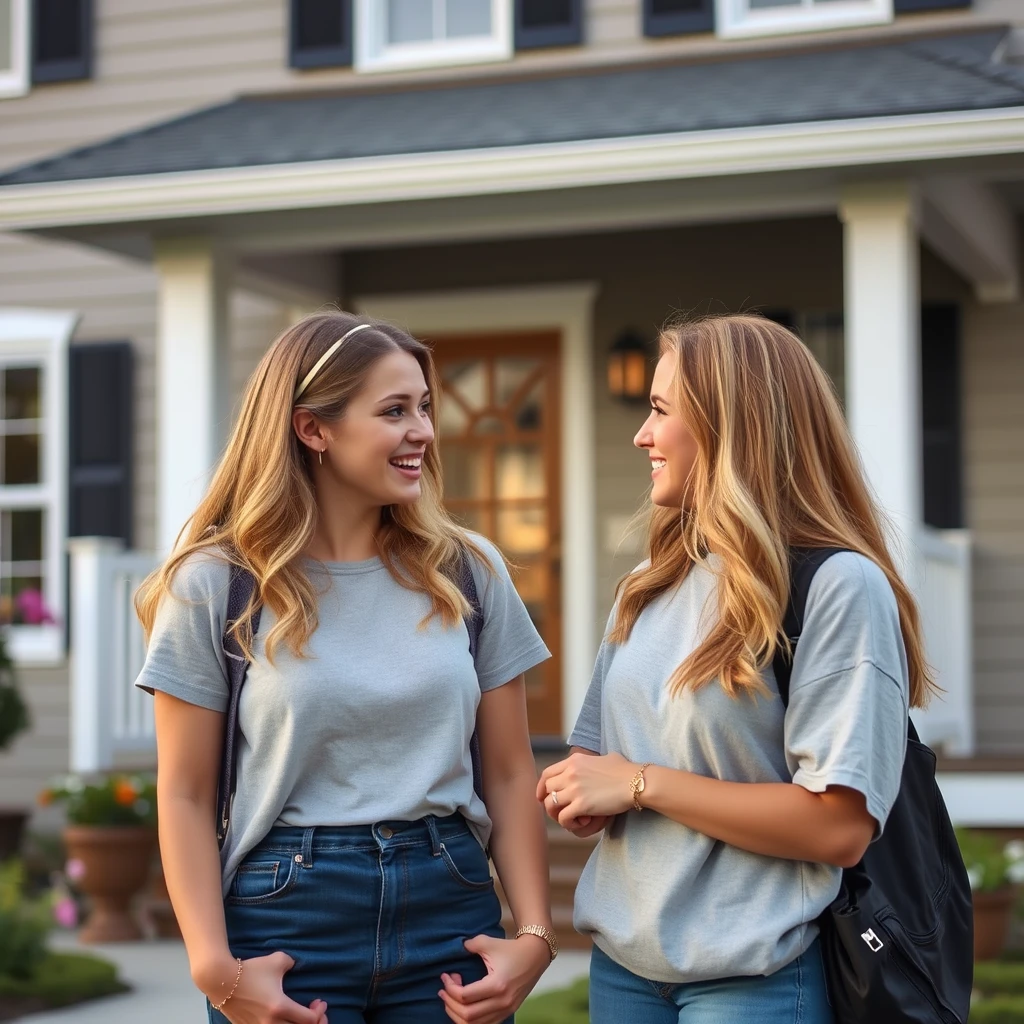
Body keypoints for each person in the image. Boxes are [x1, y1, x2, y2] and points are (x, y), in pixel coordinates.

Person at [135, 311, 556, 1024]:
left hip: (448, 905)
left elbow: (511, 770)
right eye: (395, 410)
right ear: (313, 429)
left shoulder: (469, 571)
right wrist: (214, 968)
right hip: (285, 921)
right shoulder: (216, 584)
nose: (423, 429)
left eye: (424, 406)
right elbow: (184, 792)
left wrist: (537, 934)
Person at [538, 314, 934, 1024]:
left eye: (661, 412)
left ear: (731, 425)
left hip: (755, 975)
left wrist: (639, 785)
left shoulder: (838, 586)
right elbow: (597, 756)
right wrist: (582, 791)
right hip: (624, 968)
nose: (641, 435)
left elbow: (837, 828)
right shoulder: (647, 584)